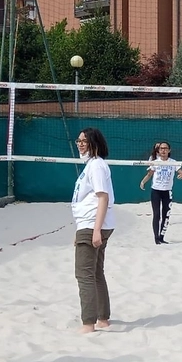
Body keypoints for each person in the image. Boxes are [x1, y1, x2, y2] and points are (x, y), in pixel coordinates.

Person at [72, 128, 115, 333]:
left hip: (93, 224)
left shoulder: (96, 165)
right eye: (78, 141)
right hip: (90, 224)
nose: (80, 144)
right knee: (96, 272)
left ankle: (88, 323)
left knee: (84, 274)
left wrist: (95, 230)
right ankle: (102, 318)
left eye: (84, 141)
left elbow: (103, 197)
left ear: (94, 143)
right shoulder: (92, 165)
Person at [139, 141, 182, 244]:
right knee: (156, 214)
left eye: (165, 148)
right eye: (161, 149)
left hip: (167, 192)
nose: (163, 150)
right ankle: (156, 237)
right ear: (158, 151)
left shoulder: (173, 162)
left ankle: (161, 237)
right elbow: (149, 174)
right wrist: (143, 182)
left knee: (166, 215)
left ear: (169, 150)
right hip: (156, 191)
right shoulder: (156, 162)